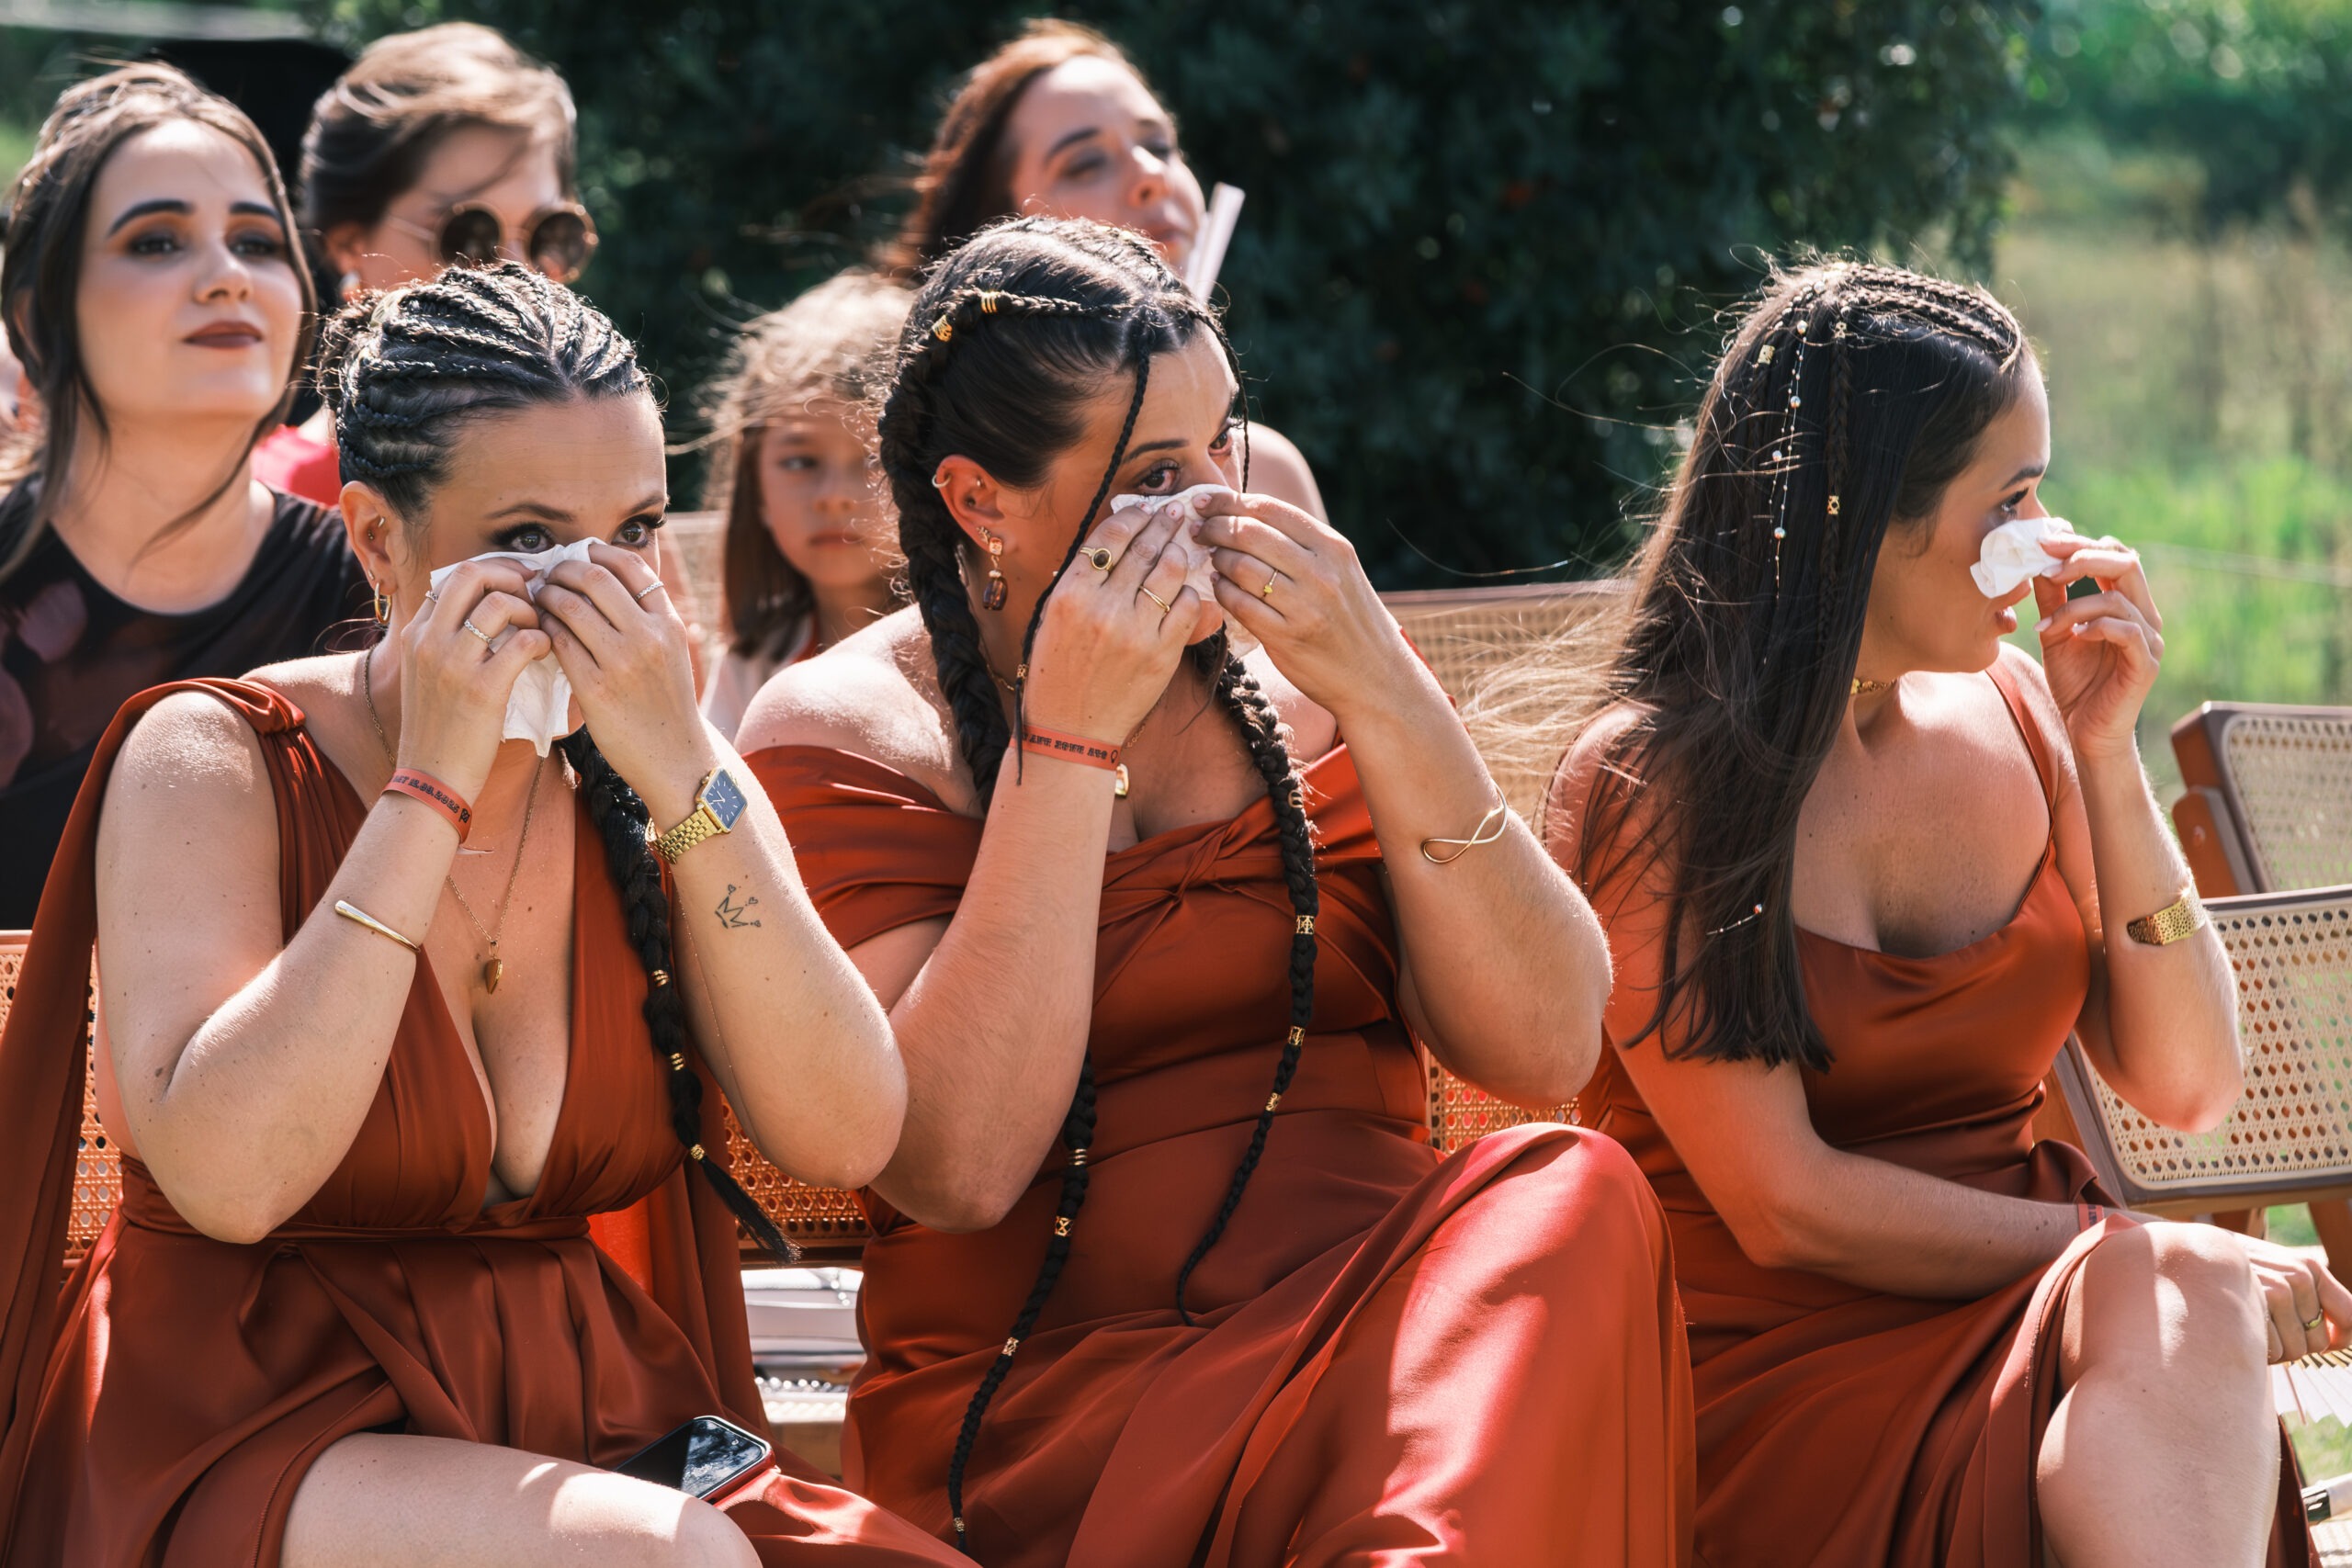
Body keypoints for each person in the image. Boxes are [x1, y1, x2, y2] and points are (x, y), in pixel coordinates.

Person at [735, 215, 1692, 1566]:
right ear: (979, 501)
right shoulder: (844, 728)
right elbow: (957, 1165)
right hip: (1057, 1397)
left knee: (1572, 1186)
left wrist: (1387, 689)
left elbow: (1545, 1047)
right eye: (1155, 473)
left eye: (1223, 442)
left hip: (1388, 1358)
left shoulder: (1310, 685)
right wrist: (1067, 741)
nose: (1217, 503)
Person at [0, 262, 985, 1568]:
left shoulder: (664, 775)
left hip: (592, 1418)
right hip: (249, 1421)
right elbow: (232, 1178)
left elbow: (844, 1128)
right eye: (526, 538)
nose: (591, 589)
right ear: (377, 539)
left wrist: (685, 781)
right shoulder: (213, 756)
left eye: (634, 532)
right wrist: (430, 787)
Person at [1540, 260, 2334, 1566]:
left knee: (2177, 1286)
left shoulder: (2019, 710)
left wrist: (2106, 753)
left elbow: (2190, 1083)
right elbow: (1784, 1205)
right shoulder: (1656, 783)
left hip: (2047, 1303)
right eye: (2008, 503)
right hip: (1770, 1361)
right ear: (1858, 517)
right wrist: (2114, 1241)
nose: (2048, 541)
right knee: (2176, 1279)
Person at [0, 64, 366, 928]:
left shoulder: (379, 595)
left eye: (259, 242)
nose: (227, 276)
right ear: (41, 312)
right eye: (157, 241)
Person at [880, 19, 1328, 525]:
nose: (1152, 175)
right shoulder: (899, 494)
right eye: (1086, 163)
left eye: (1160, 146)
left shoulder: (1269, 476)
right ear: (993, 233)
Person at [697, 272, 910, 739]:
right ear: (756, 488)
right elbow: (708, 787)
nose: (834, 495)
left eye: (875, 459)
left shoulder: (986, 648)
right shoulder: (752, 662)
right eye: (800, 461)